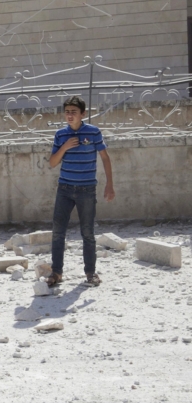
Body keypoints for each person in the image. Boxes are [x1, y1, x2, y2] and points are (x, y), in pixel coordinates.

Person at [47, 96, 115, 288]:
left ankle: (91, 273)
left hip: (87, 190)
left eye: (73, 112)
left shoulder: (93, 132)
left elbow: (105, 157)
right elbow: (52, 163)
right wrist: (65, 147)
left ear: (82, 114)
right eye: (67, 112)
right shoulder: (61, 135)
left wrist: (109, 184)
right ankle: (56, 272)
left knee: (87, 233)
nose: (69, 115)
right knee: (58, 232)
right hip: (65, 190)